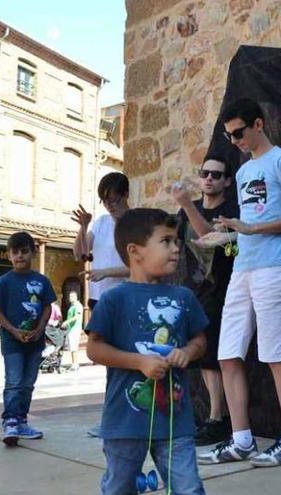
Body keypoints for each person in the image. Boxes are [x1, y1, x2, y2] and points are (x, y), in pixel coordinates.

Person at [197, 98, 281, 468]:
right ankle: (242, 439)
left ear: (258, 124)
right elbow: (250, 224)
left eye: (239, 133)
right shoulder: (244, 171)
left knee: (276, 353)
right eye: (229, 135)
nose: (234, 141)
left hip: (273, 268)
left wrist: (252, 228)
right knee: (228, 352)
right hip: (243, 268)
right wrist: (229, 235)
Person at [86, 208, 208, 495]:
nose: (176, 248)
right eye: (166, 241)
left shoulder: (183, 296)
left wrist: (188, 352)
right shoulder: (114, 299)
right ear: (135, 251)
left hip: (176, 420)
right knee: (119, 487)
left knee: (188, 488)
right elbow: (94, 348)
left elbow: (200, 340)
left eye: (177, 241)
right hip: (124, 422)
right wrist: (139, 361)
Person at [168, 154, 238, 446]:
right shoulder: (191, 209)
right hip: (190, 289)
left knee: (212, 357)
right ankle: (200, 416)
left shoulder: (229, 210)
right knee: (191, 356)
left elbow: (208, 239)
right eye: (205, 173)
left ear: (227, 181)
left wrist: (185, 204)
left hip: (220, 289)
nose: (208, 178)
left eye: (216, 174)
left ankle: (217, 419)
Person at [0, 232, 57, 447]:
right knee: (14, 381)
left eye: (24, 251)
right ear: (9, 255)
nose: (20, 256)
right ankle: (10, 421)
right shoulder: (4, 282)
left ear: (32, 253)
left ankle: (22, 420)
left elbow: (47, 306)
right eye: (15, 252)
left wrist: (40, 327)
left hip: (35, 342)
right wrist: (12, 330)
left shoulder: (42, 280)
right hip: (12, 343)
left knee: (28, 383)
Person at [72, 172, 131, 310]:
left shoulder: (136, 223)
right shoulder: (101, 222)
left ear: (126, 194)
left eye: (113, 200)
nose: (109, 205)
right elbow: (78, 254)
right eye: (104, 201)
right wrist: (83, 226)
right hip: (97, 297)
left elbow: (140, 267)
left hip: (124, 297)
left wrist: (105, 272)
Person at [61, 289, 84, 372]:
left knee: (74, 347)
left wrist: (67, 322)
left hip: (75, 328)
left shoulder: (78, 306)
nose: (70, 298)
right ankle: (73, 363)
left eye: (72, 296)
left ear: (76, 297)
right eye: (69, 296)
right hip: (71, 329)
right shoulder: (72, 306)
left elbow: (76, 317)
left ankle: (75, 364)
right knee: (72, 346)